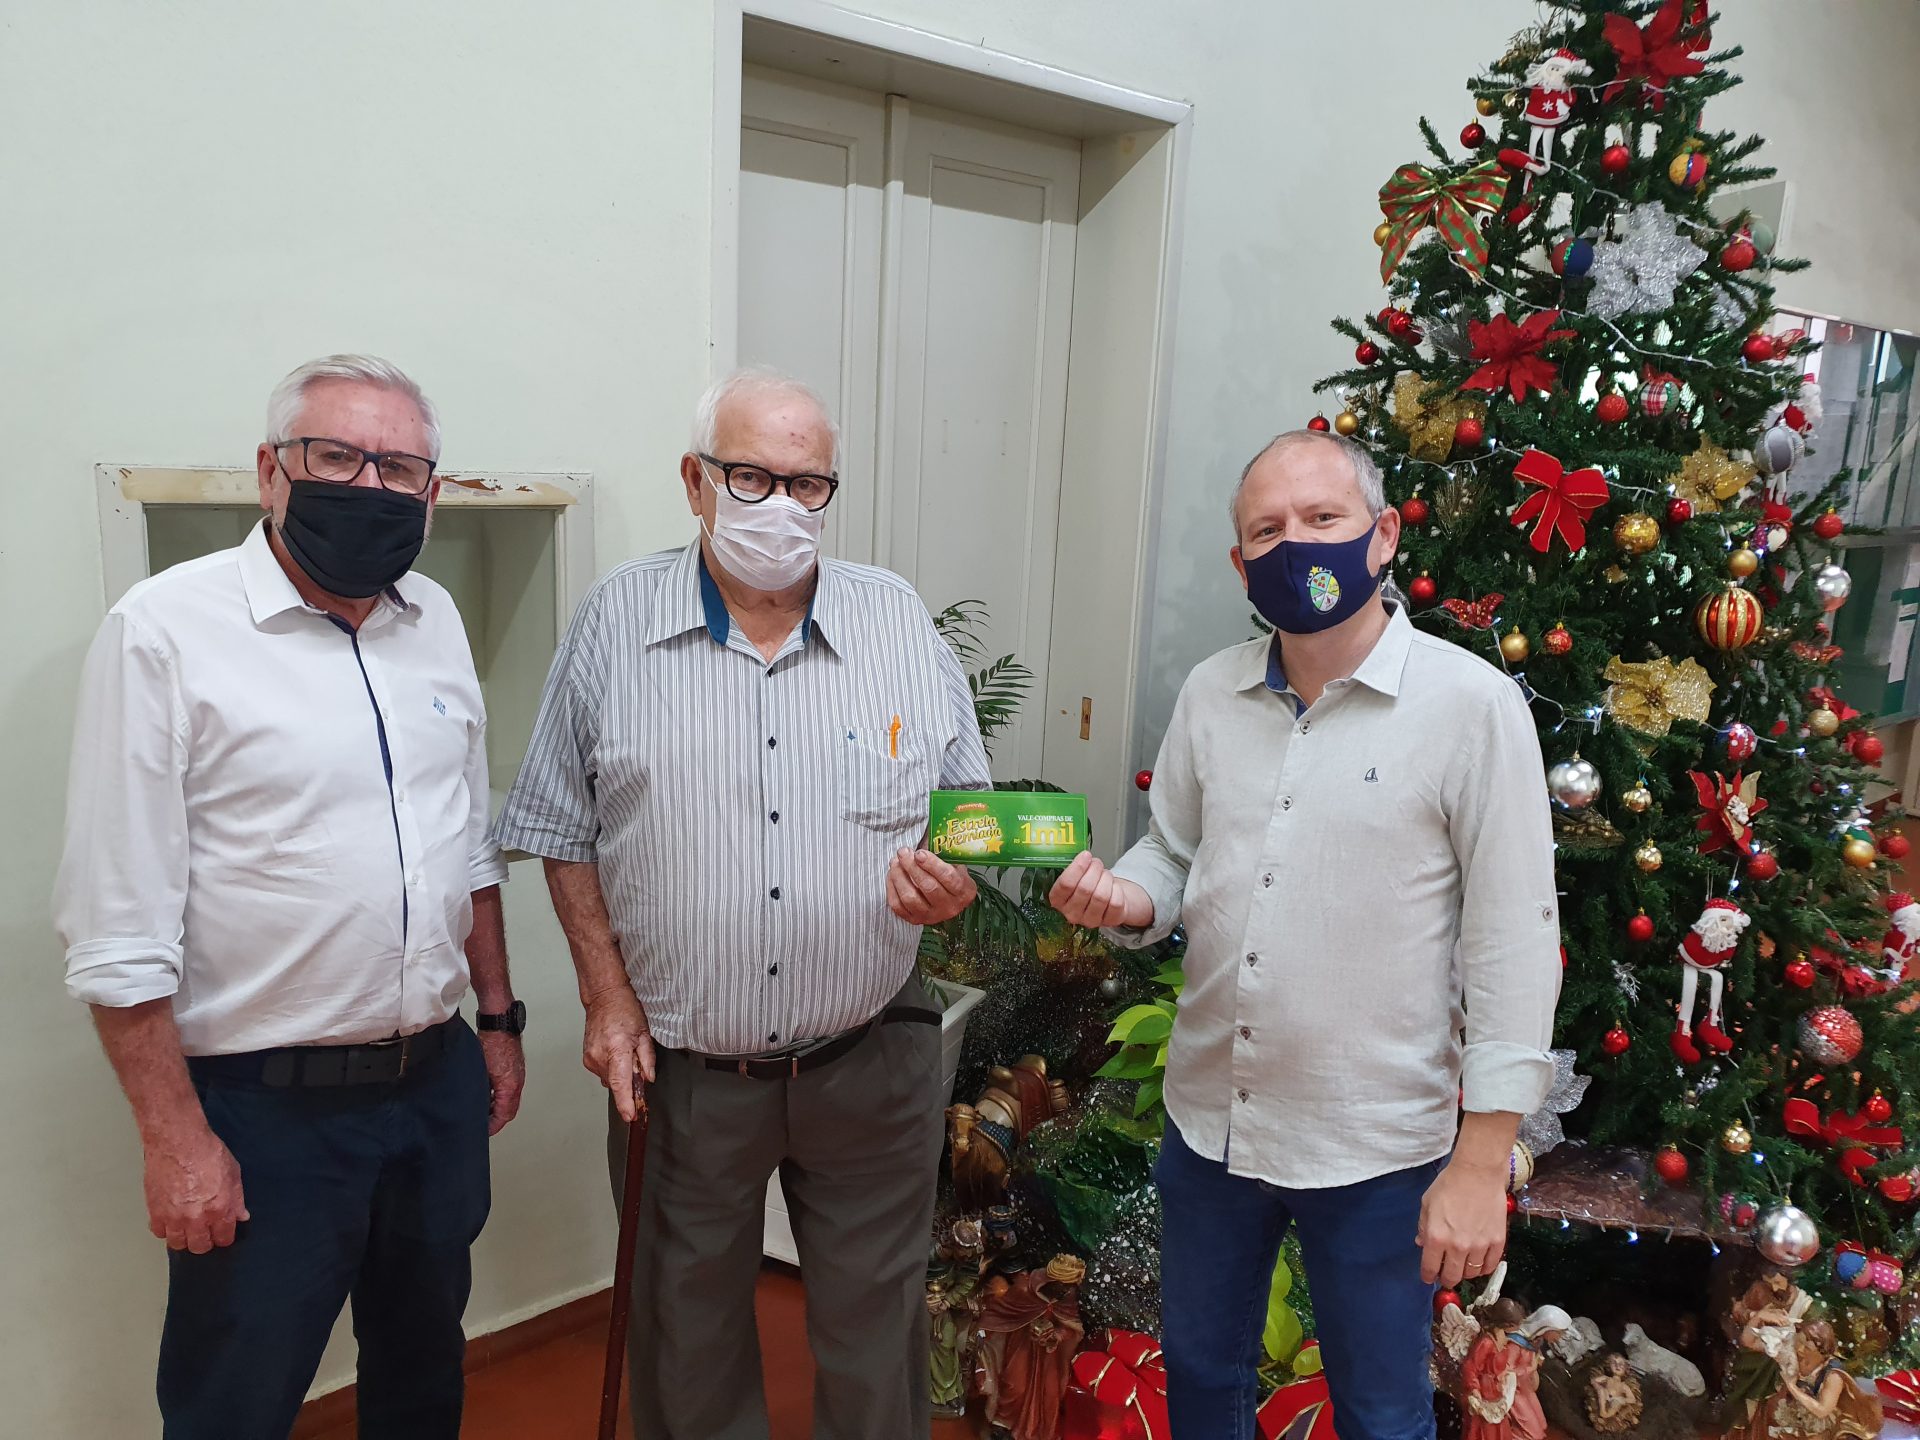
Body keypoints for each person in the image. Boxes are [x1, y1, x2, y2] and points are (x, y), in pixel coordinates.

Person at [494, 366, 991, 1439]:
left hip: (871, 1056)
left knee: (878, 1333)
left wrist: (950, 882)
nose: (781, 506)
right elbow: (557, 827)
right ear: (696, 481)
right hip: (684, 1073)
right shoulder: (615, 624)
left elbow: (968, 818)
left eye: (808, 485)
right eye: (751, 477)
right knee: (687, 1340)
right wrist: (606, 998)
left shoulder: (896, 621)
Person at [1050, 429, 1562, 1440]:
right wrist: (1128, 898)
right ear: (1241, 563)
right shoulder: (1212, 694)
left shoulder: (1472, 707)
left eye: (1323, 519)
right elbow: (1173, 850)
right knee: (1202, 1378)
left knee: (1382, 1413)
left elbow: (1514, 936)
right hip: (1213, 1126)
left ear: (1384, 535)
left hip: (1376, 1148)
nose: (1296, 546)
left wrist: (1480, 1161)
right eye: (1267, 531)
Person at [53, 355, 524, 1439]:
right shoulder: (164, 631)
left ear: (431, 493)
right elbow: (116, 928)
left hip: (433, 1086)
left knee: (423, 1375)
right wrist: (175, 1141)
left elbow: (467, 847)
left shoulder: (434, 618)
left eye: (398, 468)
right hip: (264, 1114)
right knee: (236, 1402)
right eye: (336, 456)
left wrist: (497, 1023)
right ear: (271, 472)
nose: (369, 485)